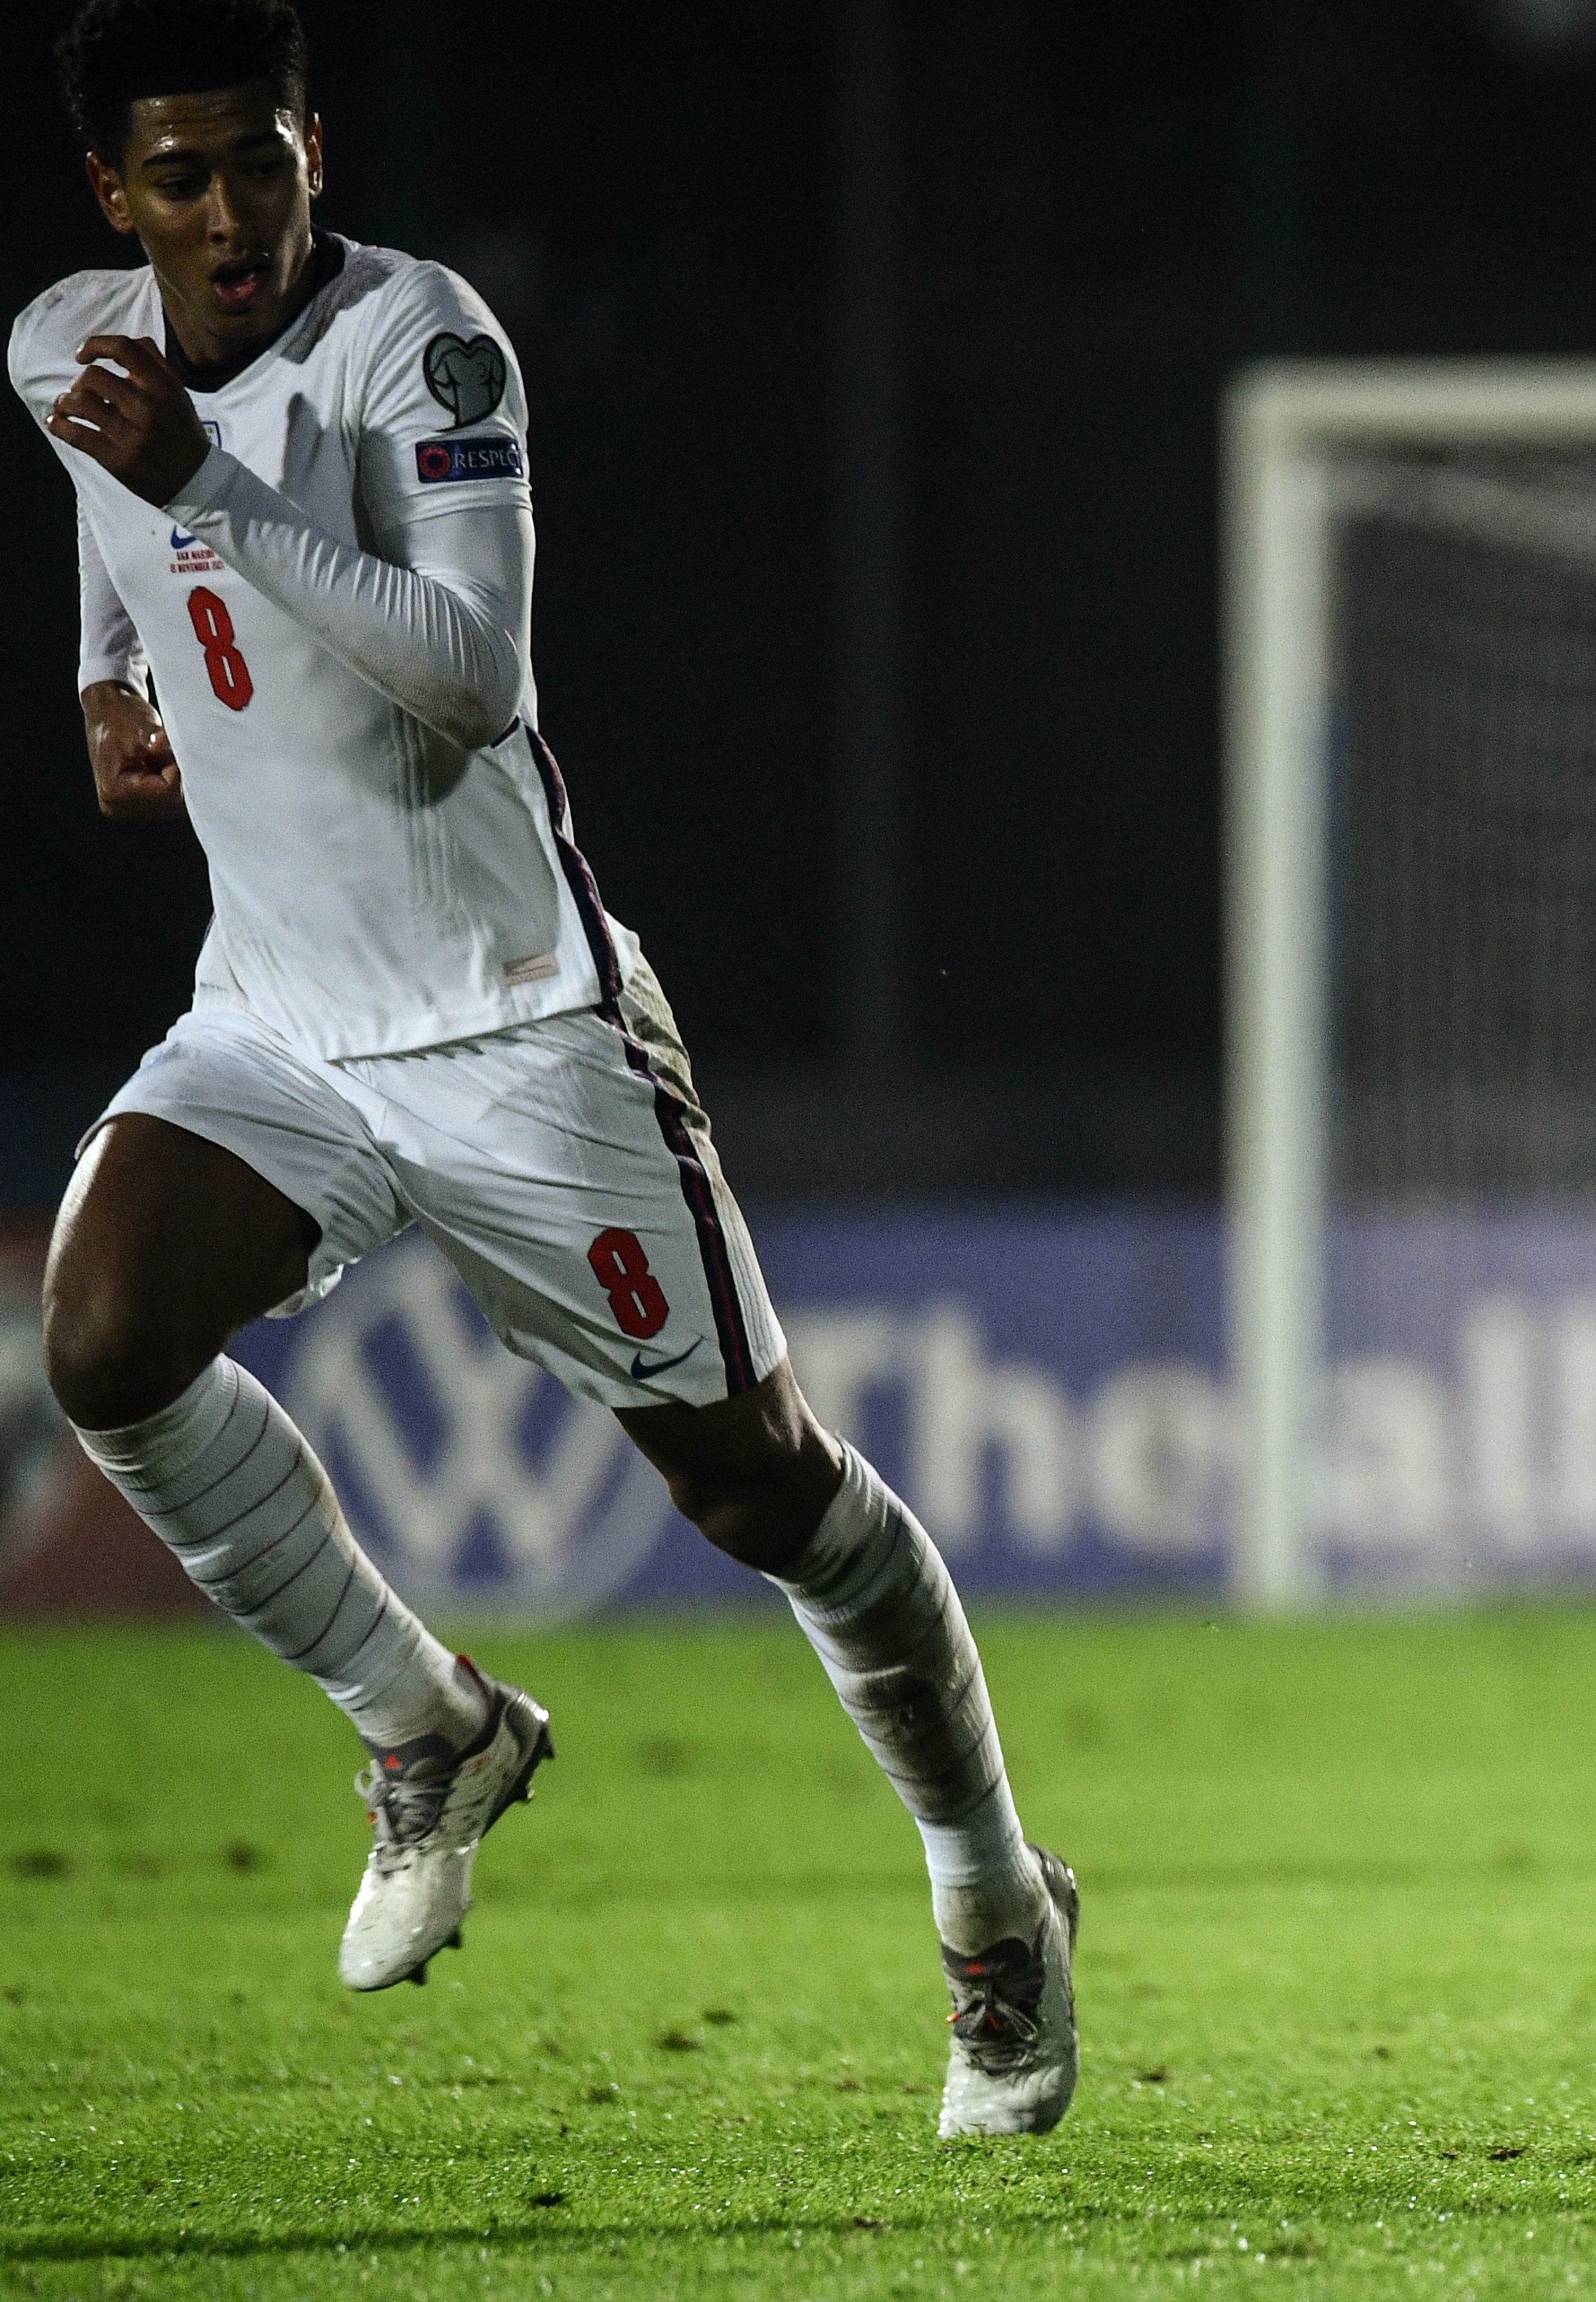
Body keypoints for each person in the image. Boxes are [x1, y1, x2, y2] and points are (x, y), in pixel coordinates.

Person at [15, 0, 1075, 2138]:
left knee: (757, 1486)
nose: (235, 214)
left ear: (317, 146)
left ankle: (994, 1902)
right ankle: (428, 1728)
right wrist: (108, 679)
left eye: (265, 161)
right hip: (282, 1019)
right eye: (185, 177)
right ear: (115, 198)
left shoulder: (424, 343)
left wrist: (204, 483)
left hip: (515, 1017)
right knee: (107, 1338)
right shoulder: (69, 353)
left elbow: (473, 676)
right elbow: (114, 559)